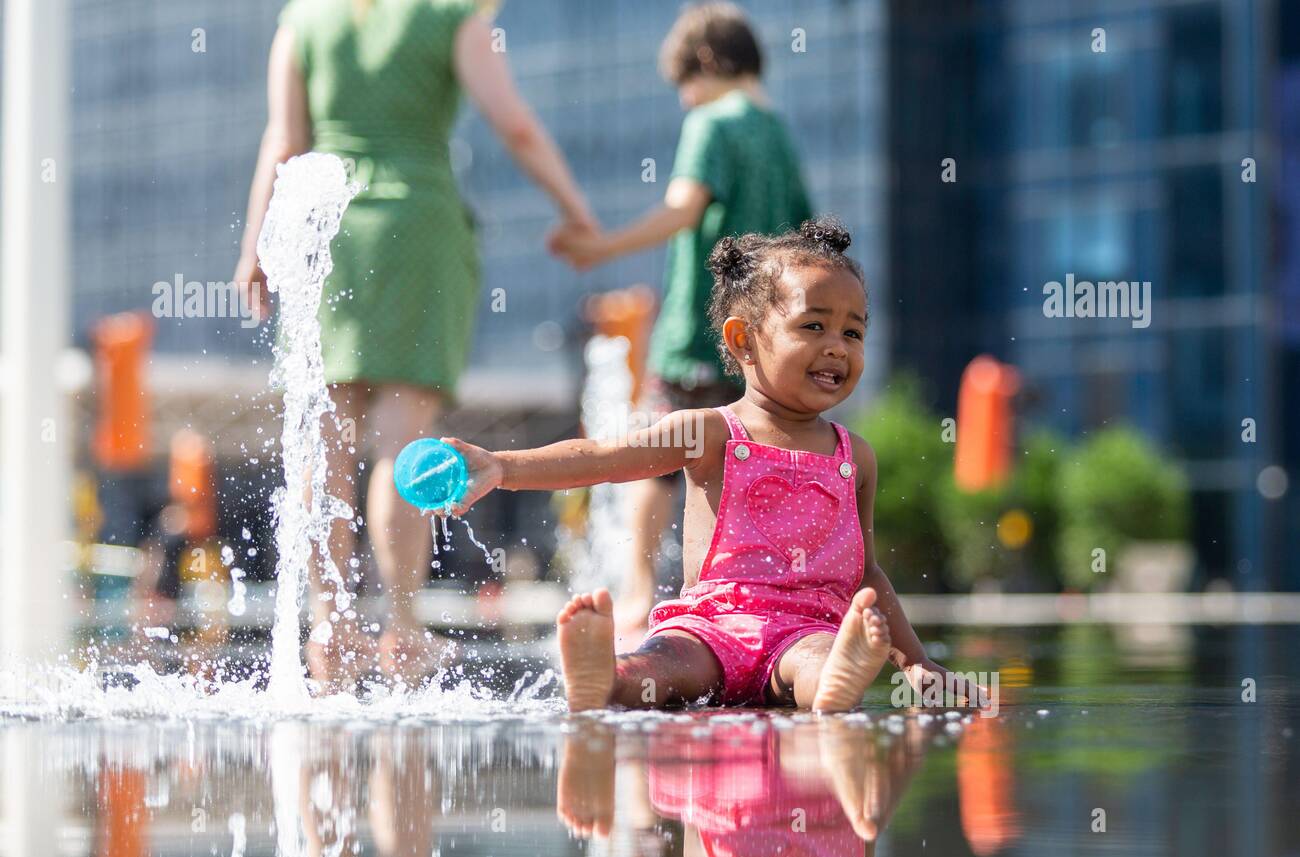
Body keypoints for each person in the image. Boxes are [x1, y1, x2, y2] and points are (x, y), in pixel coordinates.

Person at [446, 218, 981, 712]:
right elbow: (607, 459)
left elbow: (865, 570)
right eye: (814, 327)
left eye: (853, 332)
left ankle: (835, 683)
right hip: (713, 628)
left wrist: (917, 663)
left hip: (806, 631)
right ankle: (607, 677)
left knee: (819, 657)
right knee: (666, 665)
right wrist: (502, 465)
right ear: (743, 341)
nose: (837, 348)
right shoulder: (710, 431)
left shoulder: (854, 455)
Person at [236, 0, 596, 691]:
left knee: (326, 443)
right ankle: (403, 626)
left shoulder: (305, 18)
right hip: (416, 220)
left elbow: (283, 141)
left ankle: (329, 625)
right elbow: (513, 122)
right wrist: (577, 213)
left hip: (327, 223)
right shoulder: (451, 11)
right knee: (401, 442)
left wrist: (254, 248)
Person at [548, 2, 814, 647]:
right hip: (765, 343)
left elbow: (681, 208)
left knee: (657, 463)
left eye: (682, 84)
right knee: (755, 466)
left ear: (702, 63)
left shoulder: (712, 122)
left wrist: (601, 248)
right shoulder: (779, 133)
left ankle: (639, 601)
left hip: (700, 334)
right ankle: (758, 603)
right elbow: (808, 238)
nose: (682, 99)